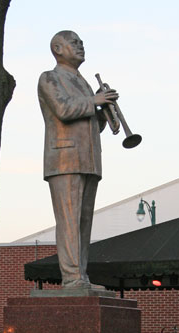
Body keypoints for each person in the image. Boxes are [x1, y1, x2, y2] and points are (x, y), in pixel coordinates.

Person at [38, 30, 118, 289]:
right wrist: (94, 100)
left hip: (88, 160)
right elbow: (63, 110)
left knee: (83, 225)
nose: (81, 46)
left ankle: (80, 275)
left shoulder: (82, 83)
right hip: (64, 159)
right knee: (70, 222)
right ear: (58, 48)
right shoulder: (50, 78)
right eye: (75, 42)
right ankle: (71, 277)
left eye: (81, 42)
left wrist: (104, 114)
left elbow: (89, 126)